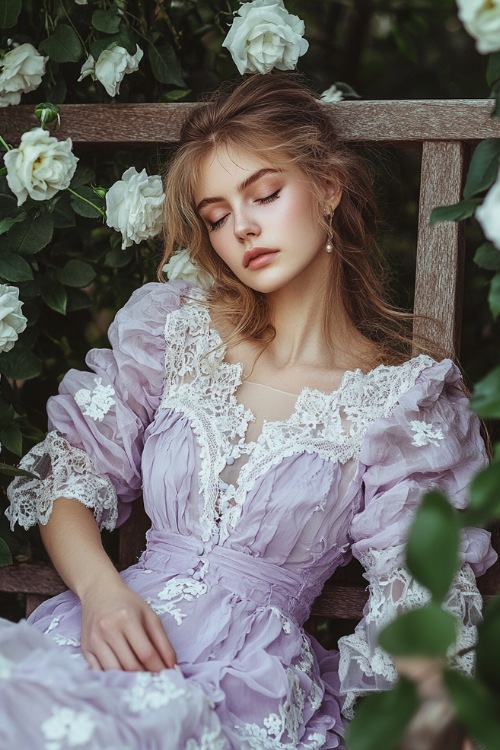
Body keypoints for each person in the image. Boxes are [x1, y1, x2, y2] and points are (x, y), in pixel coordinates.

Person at [0, 73, 496, 750]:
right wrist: (100, 592)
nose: (244, 228)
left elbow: (416, 590)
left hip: (245, 685)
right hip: (104, 639)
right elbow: (70, 472)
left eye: (264, 194)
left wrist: (437, 715)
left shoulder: (402, 399)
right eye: (217, 215)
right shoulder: (174, 332)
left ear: (327, 187)